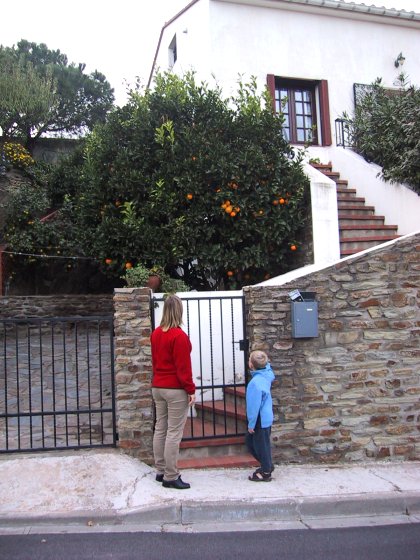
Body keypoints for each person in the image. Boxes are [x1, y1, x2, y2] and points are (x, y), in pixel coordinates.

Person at [151, 294, 196, 489]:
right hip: (174, 389)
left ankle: (161, 471)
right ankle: (171, 475)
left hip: (158, 387)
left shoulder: (156, 333)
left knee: (160, 428)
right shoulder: (179, 336)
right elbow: (183, 368)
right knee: (174, 432)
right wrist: (190, 389)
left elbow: (154, 361)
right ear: (179, 311)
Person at [245, 350, 275, 482]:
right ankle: (267, 465)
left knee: (255, 445)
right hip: (267, 417)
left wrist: (251, 424)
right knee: (262, 444)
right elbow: (267, 366)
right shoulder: (267, 374)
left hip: (259, 419)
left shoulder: (255, 383)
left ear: (251, 365)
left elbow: (253, 406)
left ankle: (266, 470)